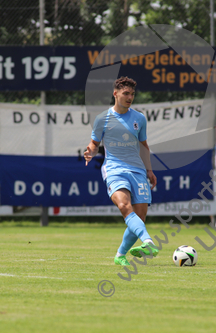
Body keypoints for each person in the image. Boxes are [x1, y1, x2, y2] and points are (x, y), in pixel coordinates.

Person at [84, 76, 159, 266]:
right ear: (115, 93)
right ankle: (148, 242)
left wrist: (149, 170)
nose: (130, 97)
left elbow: (143, 146)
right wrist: (90, 152)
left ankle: (120, 255)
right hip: (114, 168)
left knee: (140, 216)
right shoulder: (102, 119)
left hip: (138, 170)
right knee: (125, 207)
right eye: (126, 93)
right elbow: (94, 144)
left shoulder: (139, 118)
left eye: (132, 94)